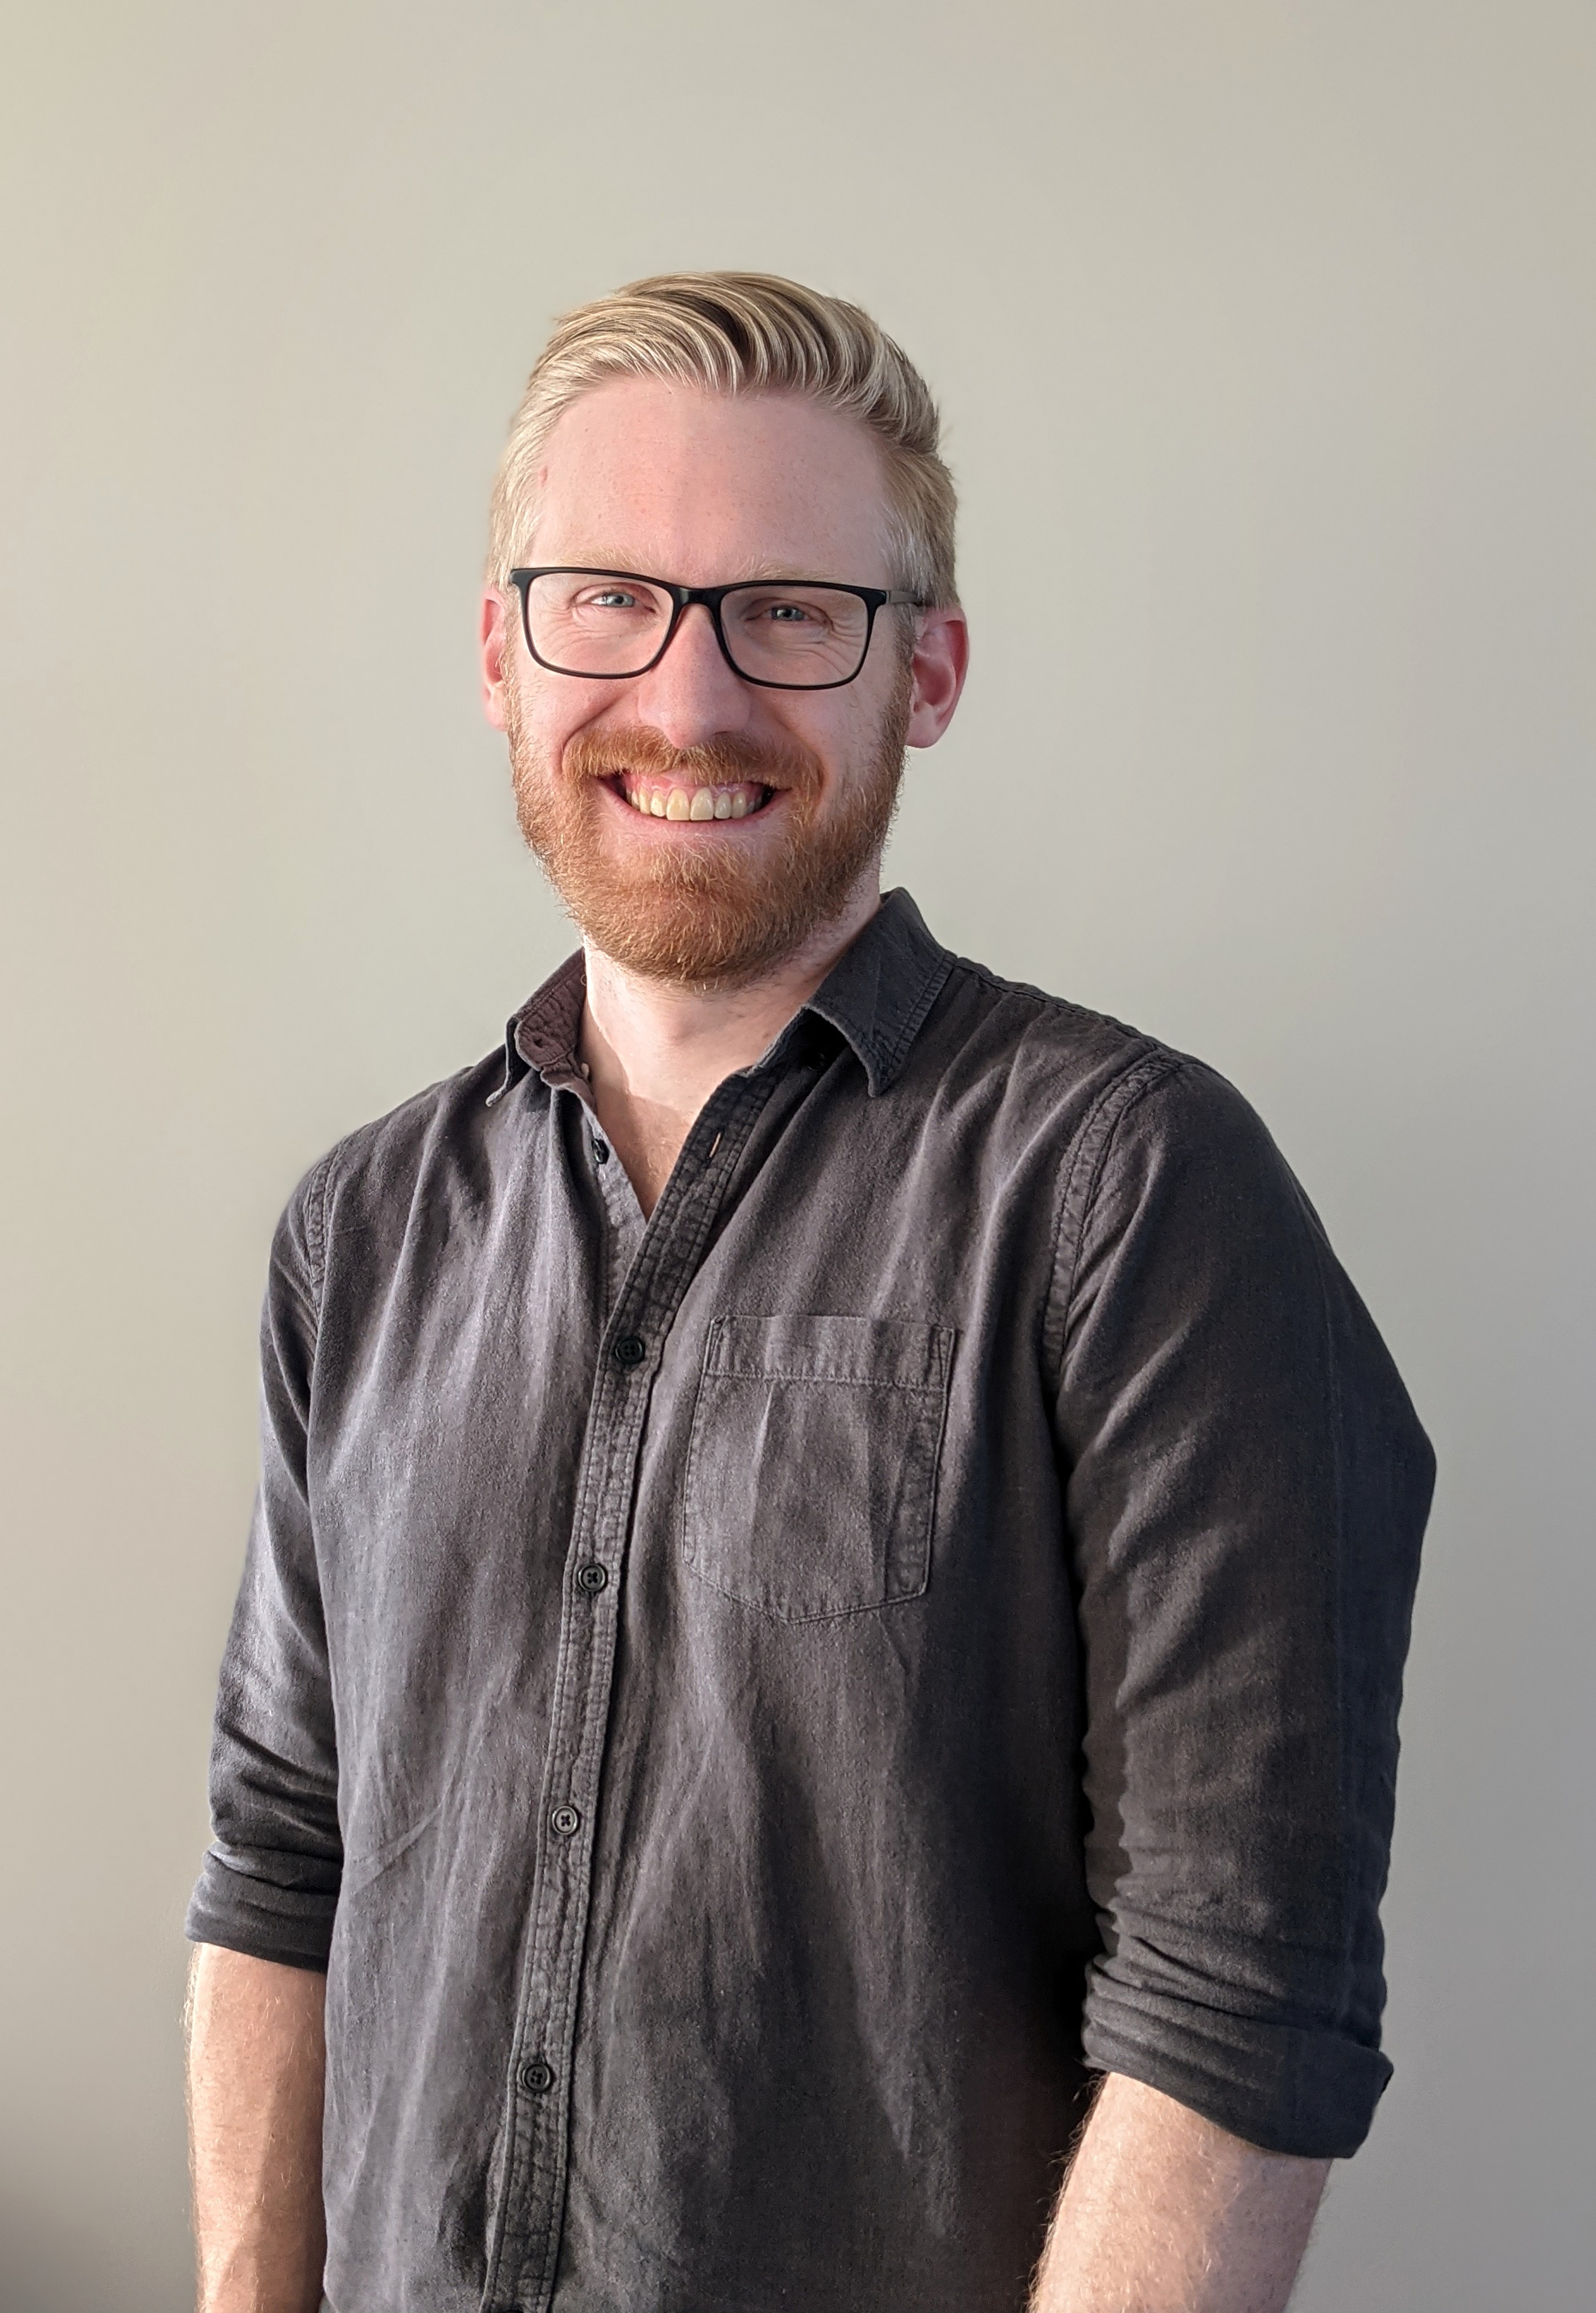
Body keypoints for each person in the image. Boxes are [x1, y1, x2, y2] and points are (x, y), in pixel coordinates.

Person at [184, 272, 1433, 2313]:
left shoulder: (1134, 1192)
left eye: (790, 612)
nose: (686, 703)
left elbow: (1242, 1989)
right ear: (500, 654)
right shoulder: (362, 1231)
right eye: (607, 600)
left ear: (923, 673)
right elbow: (280, 1853)